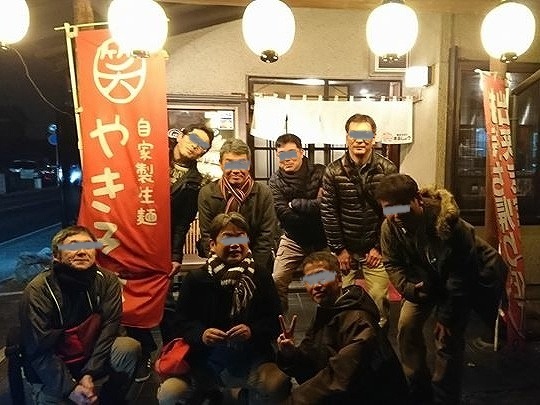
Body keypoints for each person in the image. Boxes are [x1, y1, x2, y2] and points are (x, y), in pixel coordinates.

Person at [157, 212, 290, 404]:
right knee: (169, 394)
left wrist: (252, 331)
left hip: (250, 357)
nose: (235, 244)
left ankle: (243, 396)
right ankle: (212, 393)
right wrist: (202, 334)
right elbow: (180, 323)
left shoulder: (260, 276)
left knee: (278, 383)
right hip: (204, 361)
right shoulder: (196, 279)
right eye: (227, 238)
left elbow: (274, 320)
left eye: (241, 237)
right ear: (212, 244)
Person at [375, 174, 477, 404]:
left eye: (402, 207)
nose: (396, 215)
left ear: (418, 200)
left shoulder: (449, 224)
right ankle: (418, 385)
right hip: (421, 285)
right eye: (389, 209)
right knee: (406, 327)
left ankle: (444, 395)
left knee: (447, 339)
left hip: (454, 288)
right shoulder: (390, 227)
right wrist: (409, 289)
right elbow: (392, 263)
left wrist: (446, 316)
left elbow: (461, 274)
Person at [125, 123, 215, 382]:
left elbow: (182, 222)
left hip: (160, 244)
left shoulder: (194, 181)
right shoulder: (150, 155)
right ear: (182, 135)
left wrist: (176, 255)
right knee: (129, 297)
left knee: (164, 299)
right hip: (132, 237)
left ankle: (173, 351)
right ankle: (143, 349)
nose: (196, 145)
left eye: (203, 145)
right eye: (194, 138)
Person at [19, 225, 141, 405]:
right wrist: (70, 389)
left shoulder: (107, 280)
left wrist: (89, 373)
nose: (82, 251)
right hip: (53, 364)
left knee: (127, 347)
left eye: (88, 245)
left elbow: (110, 329)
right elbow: (39, 349)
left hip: (89, 356)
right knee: (54, 398)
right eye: (73, 246)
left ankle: (109, 398)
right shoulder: (38, 291)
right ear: (56, 256)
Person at [276, 251, 408, 404]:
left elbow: (340, 377)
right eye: (310, 280)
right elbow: (310, 365)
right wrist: (290, 354)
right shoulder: (327, 311)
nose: (317, 285)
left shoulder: (359, 319)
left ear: (339, 280)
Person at [320, 113, 397, 329]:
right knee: (338, 298)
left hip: (375, 248)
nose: (360, 141)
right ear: (347, 138)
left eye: (365, 135)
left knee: (379, 300)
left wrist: (379, 247)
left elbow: (394, 211)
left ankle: (377, 339)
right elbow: (328, 211)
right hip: (345, 248)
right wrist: (339, 249)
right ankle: (344, 339)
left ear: (373, 138)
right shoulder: (333, 171)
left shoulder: (387, 169)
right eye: (355, 135)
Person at [198, 138, 277, 274]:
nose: (235, 170)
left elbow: (266, 236)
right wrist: (220, 267)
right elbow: (207, 235)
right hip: (218, 262)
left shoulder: (263, 193)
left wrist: (253, 269)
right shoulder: (207, 193)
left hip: (256, 262)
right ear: (221, 164)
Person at [269, 133, 327, 312]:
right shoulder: (275, 181)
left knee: (327, 282)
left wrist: (295, 204)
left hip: (323, 238)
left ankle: (328, 319)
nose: (287, 159)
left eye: (291, 153)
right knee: (277, 279)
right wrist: (313, 207)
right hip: (293, 238)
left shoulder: (320, 172)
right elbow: (284, 215)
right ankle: (279, 322)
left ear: (301, 152)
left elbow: (326, 206)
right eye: (282, 154)